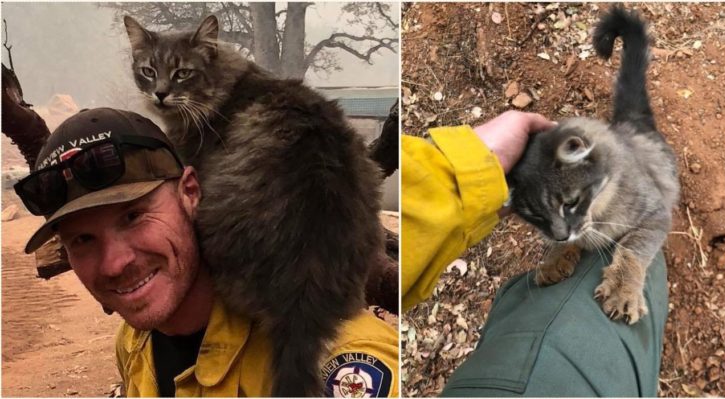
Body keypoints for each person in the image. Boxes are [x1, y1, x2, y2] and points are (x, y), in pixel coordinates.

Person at [16, 108, 398, 397]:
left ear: (190, 192)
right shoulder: (134, 343)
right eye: (82, 240)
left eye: (133, 216)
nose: (115, 263)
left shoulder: (333, 358)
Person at [401, 111, 667, 396]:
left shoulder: (613, 176)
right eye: (538, 218)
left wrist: (629, 268)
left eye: (569, 204)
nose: (561, 233)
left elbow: (656, 217)